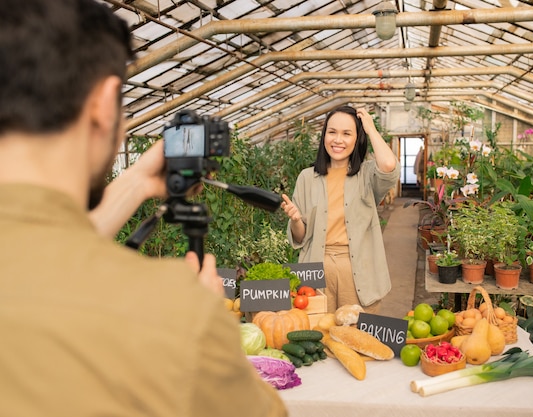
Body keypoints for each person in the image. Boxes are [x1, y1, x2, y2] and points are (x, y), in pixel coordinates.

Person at [0, 1, 286, 416]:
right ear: (103, 105)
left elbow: (41, 249)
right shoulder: (171, 313)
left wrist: (136, 182)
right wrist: (211, 330)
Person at [281, 105, 400, 314]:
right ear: (324, 135)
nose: (338, 140)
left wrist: (370, 128)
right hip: (316, 270)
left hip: (358, 272)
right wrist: (296, 220)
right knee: (318, 338)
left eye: (347, 134)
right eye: (332, 132)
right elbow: (300, 237)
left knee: (357, 337)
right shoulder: (307, 178)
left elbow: (389, 165)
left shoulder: (367, 175)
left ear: (357, 139)